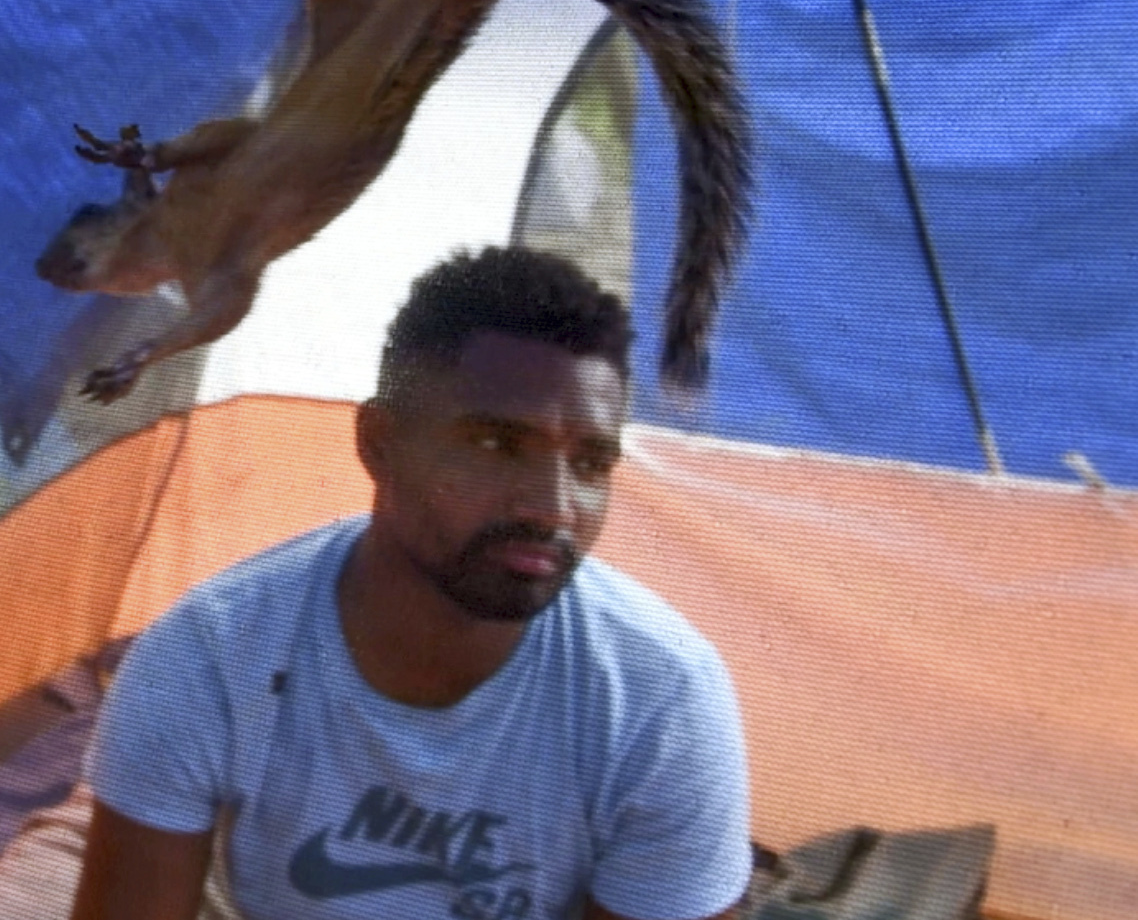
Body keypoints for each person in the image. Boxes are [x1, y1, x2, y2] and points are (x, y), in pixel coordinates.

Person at [73, 247, 752, 920]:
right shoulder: (209, 657)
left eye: (591, 462)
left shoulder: (660, 696)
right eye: (496, 444)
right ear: (378, 441)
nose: (552, 505)